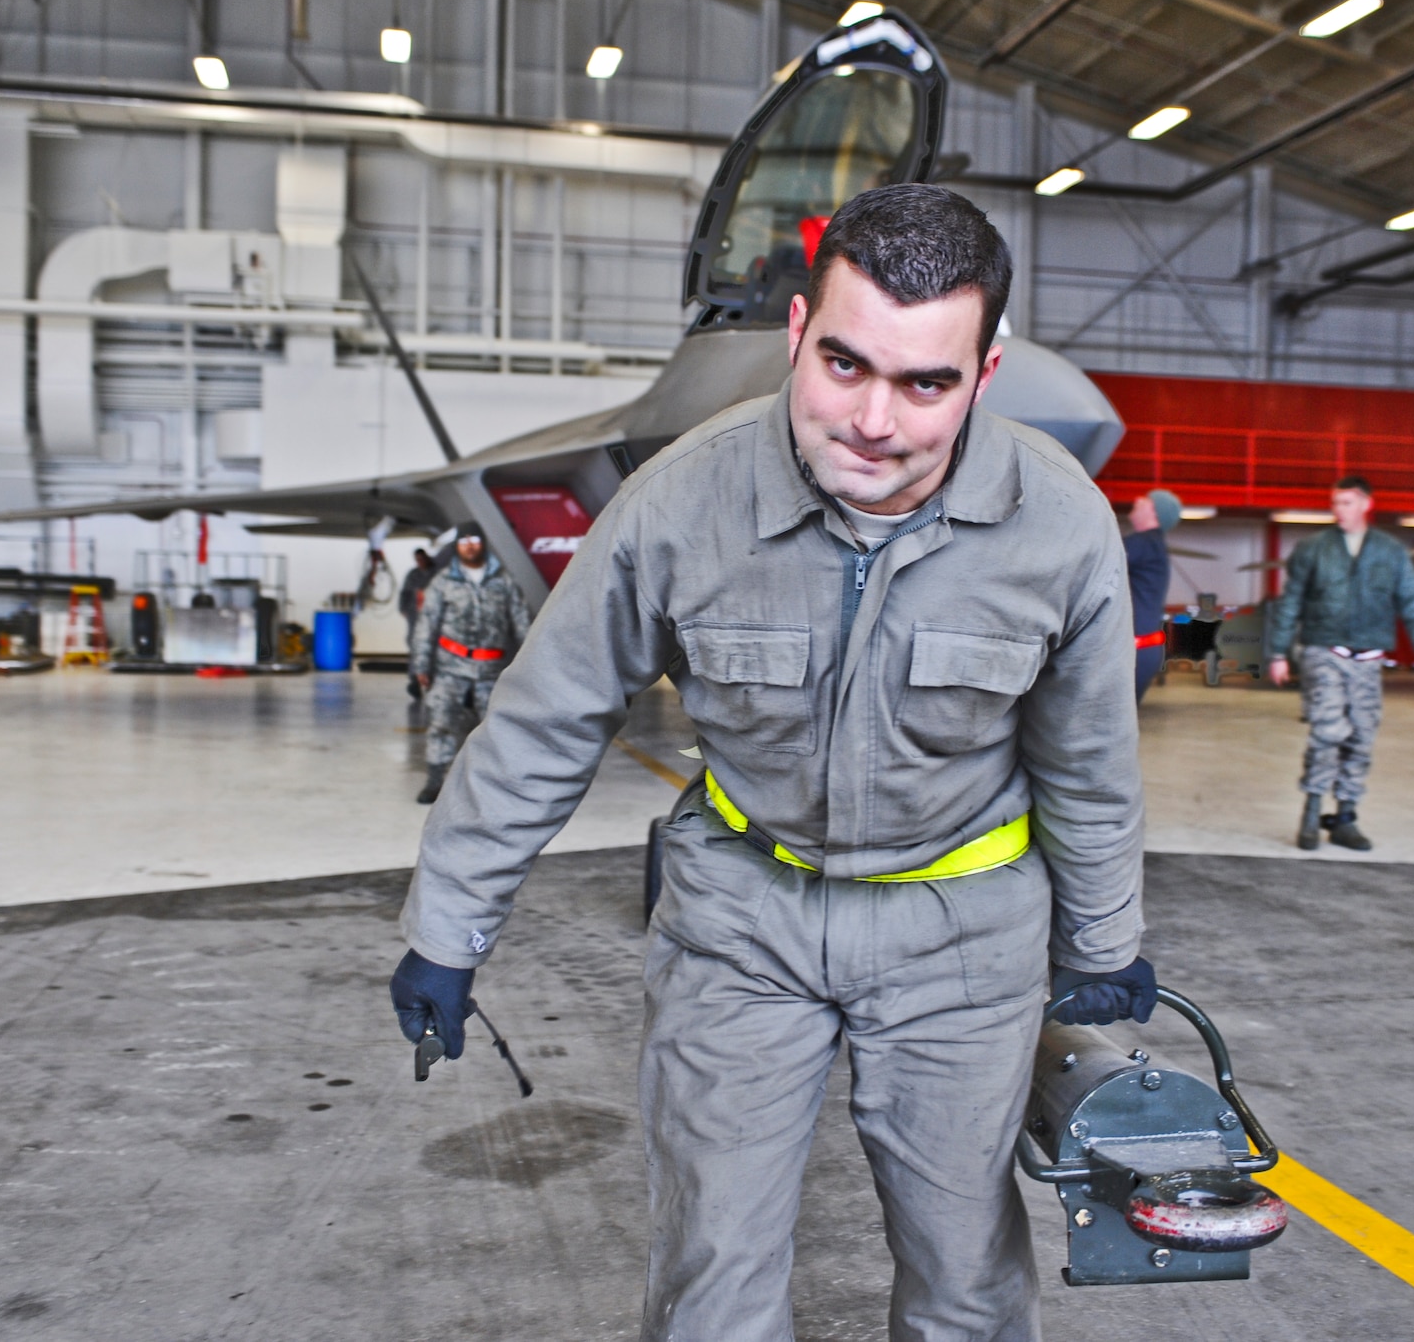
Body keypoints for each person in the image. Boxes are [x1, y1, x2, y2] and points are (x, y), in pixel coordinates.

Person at [388, 184, 1151, 1342]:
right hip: (741, 919)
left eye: (924, 382)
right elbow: (546, 719)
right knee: (712, 1273)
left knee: (967, 1278)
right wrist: (447, 926)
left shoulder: (1057, 524)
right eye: (843, 364)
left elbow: (1089, 762)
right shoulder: (681, 502)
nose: (874, 420)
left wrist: (1101, 942)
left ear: (982, 377)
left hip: (959, 931)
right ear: (796, 331)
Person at [1266, 476, 1414, 852]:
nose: (1338, 510)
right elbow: (1290, 603)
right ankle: (1311, 813)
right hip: (1323, 651)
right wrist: (1278, 653)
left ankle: (1344, 818)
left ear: (1365, 504)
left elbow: (1412, 600)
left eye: (1345, 502)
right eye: (1334, 503)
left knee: (1361, 737)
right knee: (1327, 732)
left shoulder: (1391, 552)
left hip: (1369, 658)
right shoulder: (1313, 549)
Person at [408, 525, 531, 805]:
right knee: (441, 724)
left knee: (496, 729)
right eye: (464, 541)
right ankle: (435, 779)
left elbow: (523, 623)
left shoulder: (504, 581)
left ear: (483, 543)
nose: (470, 545)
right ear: (457, 546)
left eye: (475, 540)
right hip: (451, 668)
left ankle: (495, 784)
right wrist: (421, 666)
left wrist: (529, 665)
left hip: (490, 670)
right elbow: (425, 626)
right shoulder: (443, 582)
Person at [1122, 488, 1182, 701]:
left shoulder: (1143, 543)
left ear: (1154, 513)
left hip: (1134, 650)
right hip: (1144, 649)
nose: (1137, 498)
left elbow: (1096, 564)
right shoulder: (1152, 545)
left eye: (1145, 500)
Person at [399, 547, 436, 699]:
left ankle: (431, 679)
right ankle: (414, 680)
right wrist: (403, 609)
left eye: (422, 559)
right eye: (417, 560)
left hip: (433, 617)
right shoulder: (413, 575)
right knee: (415, 646)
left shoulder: (436, 573)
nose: (420, 562)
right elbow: (405, 593)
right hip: (415, 616)